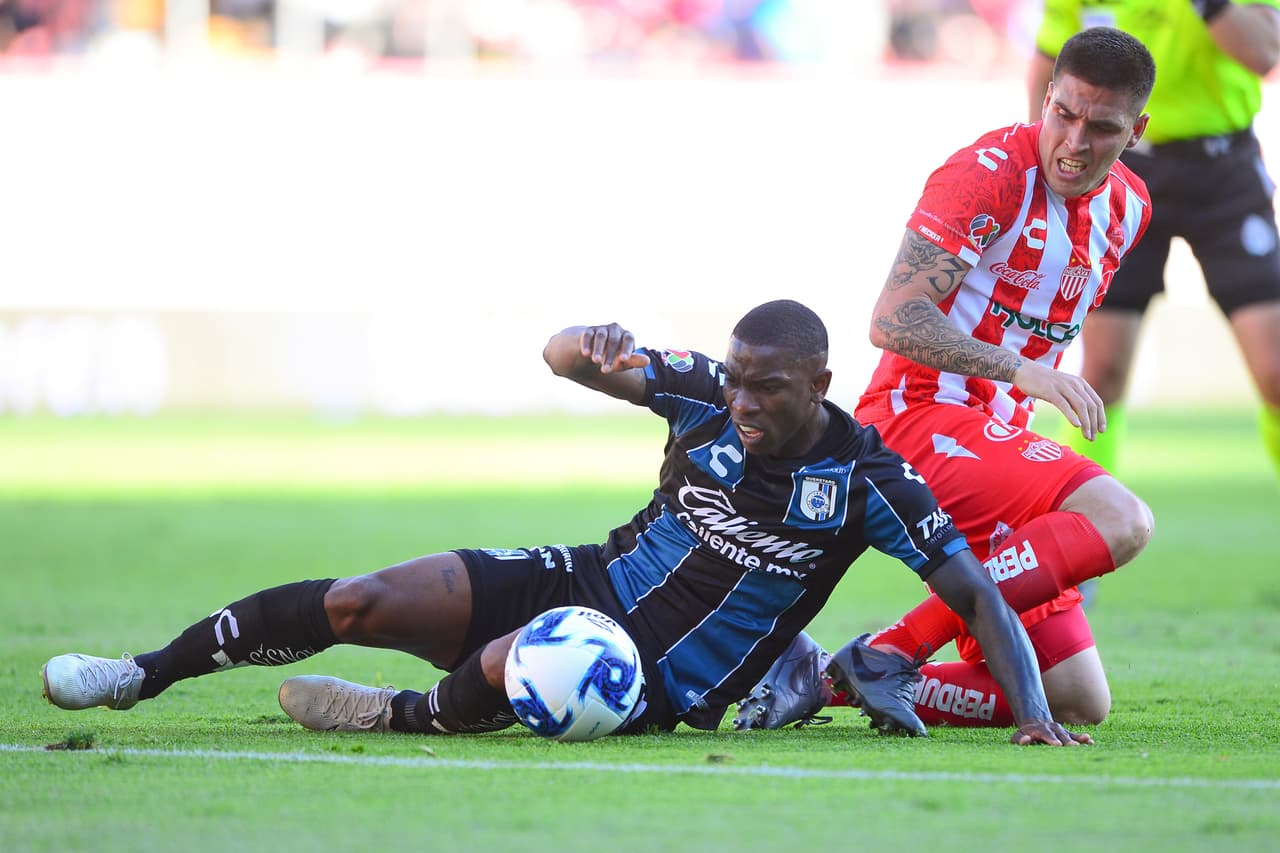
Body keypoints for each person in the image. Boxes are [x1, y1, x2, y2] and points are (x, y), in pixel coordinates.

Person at [39, 300, 1088, 745]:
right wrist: (581, 342)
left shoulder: (865, 479)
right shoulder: (701, 390)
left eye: (768, 389)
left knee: (512, 657)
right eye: (738, 385)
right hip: (585, 576)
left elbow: (973, 592)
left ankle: (397, 717)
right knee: (364, 595)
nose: (744, 404)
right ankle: (141, 673)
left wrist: (1034, 711)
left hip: (664, 677)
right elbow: (562, 358)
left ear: (819, 381)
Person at [735, 27, 1157, 735]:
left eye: (1103, 127)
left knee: (1078, 699)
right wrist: (1025, 372)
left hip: (999, 444)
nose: (1076, 142)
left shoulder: (1130, 209)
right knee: (1121, 518)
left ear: (1137, 130)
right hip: (915, 419)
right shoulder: (986, 173)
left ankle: (828, 678)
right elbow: (894, 318)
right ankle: (895, 647)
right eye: (1065, 114)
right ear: (1046, 97)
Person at [1032, 1, 1280, 484]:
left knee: (1275, 371)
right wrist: (1042, 172)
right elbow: (1050, 65)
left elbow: (1264, 54)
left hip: (1222, 170)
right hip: (1119, 169)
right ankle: (1078, 514)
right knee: (1100, 373)